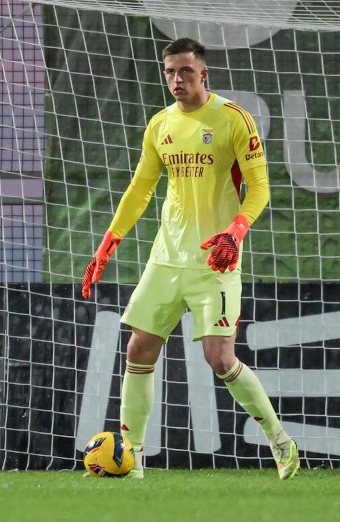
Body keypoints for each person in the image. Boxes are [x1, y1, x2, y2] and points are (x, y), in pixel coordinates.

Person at [81, 38, 300, 480]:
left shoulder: (232, 119)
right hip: (166, 257)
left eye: (185, 71)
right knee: (139, 348)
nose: (177, 80)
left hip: (215, 260)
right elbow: (141, 188)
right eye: (170, 72)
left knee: (219, 358)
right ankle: (132, 459)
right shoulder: (160, 124)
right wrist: (109, 242)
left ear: (205, 74)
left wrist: (236, 233)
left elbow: (259, 189)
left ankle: (281, 441)